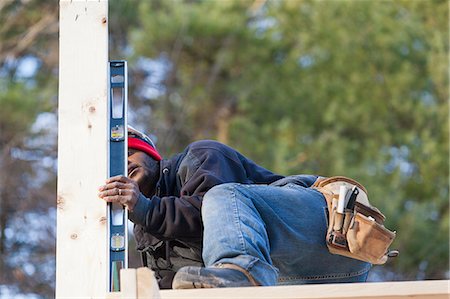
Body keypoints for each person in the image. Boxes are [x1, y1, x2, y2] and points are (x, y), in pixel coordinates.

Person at [98, 127, 370, 289]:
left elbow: (204, 216)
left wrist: (144, 209)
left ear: (151, 153)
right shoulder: (152, 233)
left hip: (329, 239)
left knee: (221, 196)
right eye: (115, 166)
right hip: (294, 279)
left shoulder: (200, 156)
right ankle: (243, 275)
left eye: (129, 152)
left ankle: (243, 271)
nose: (125, 165)